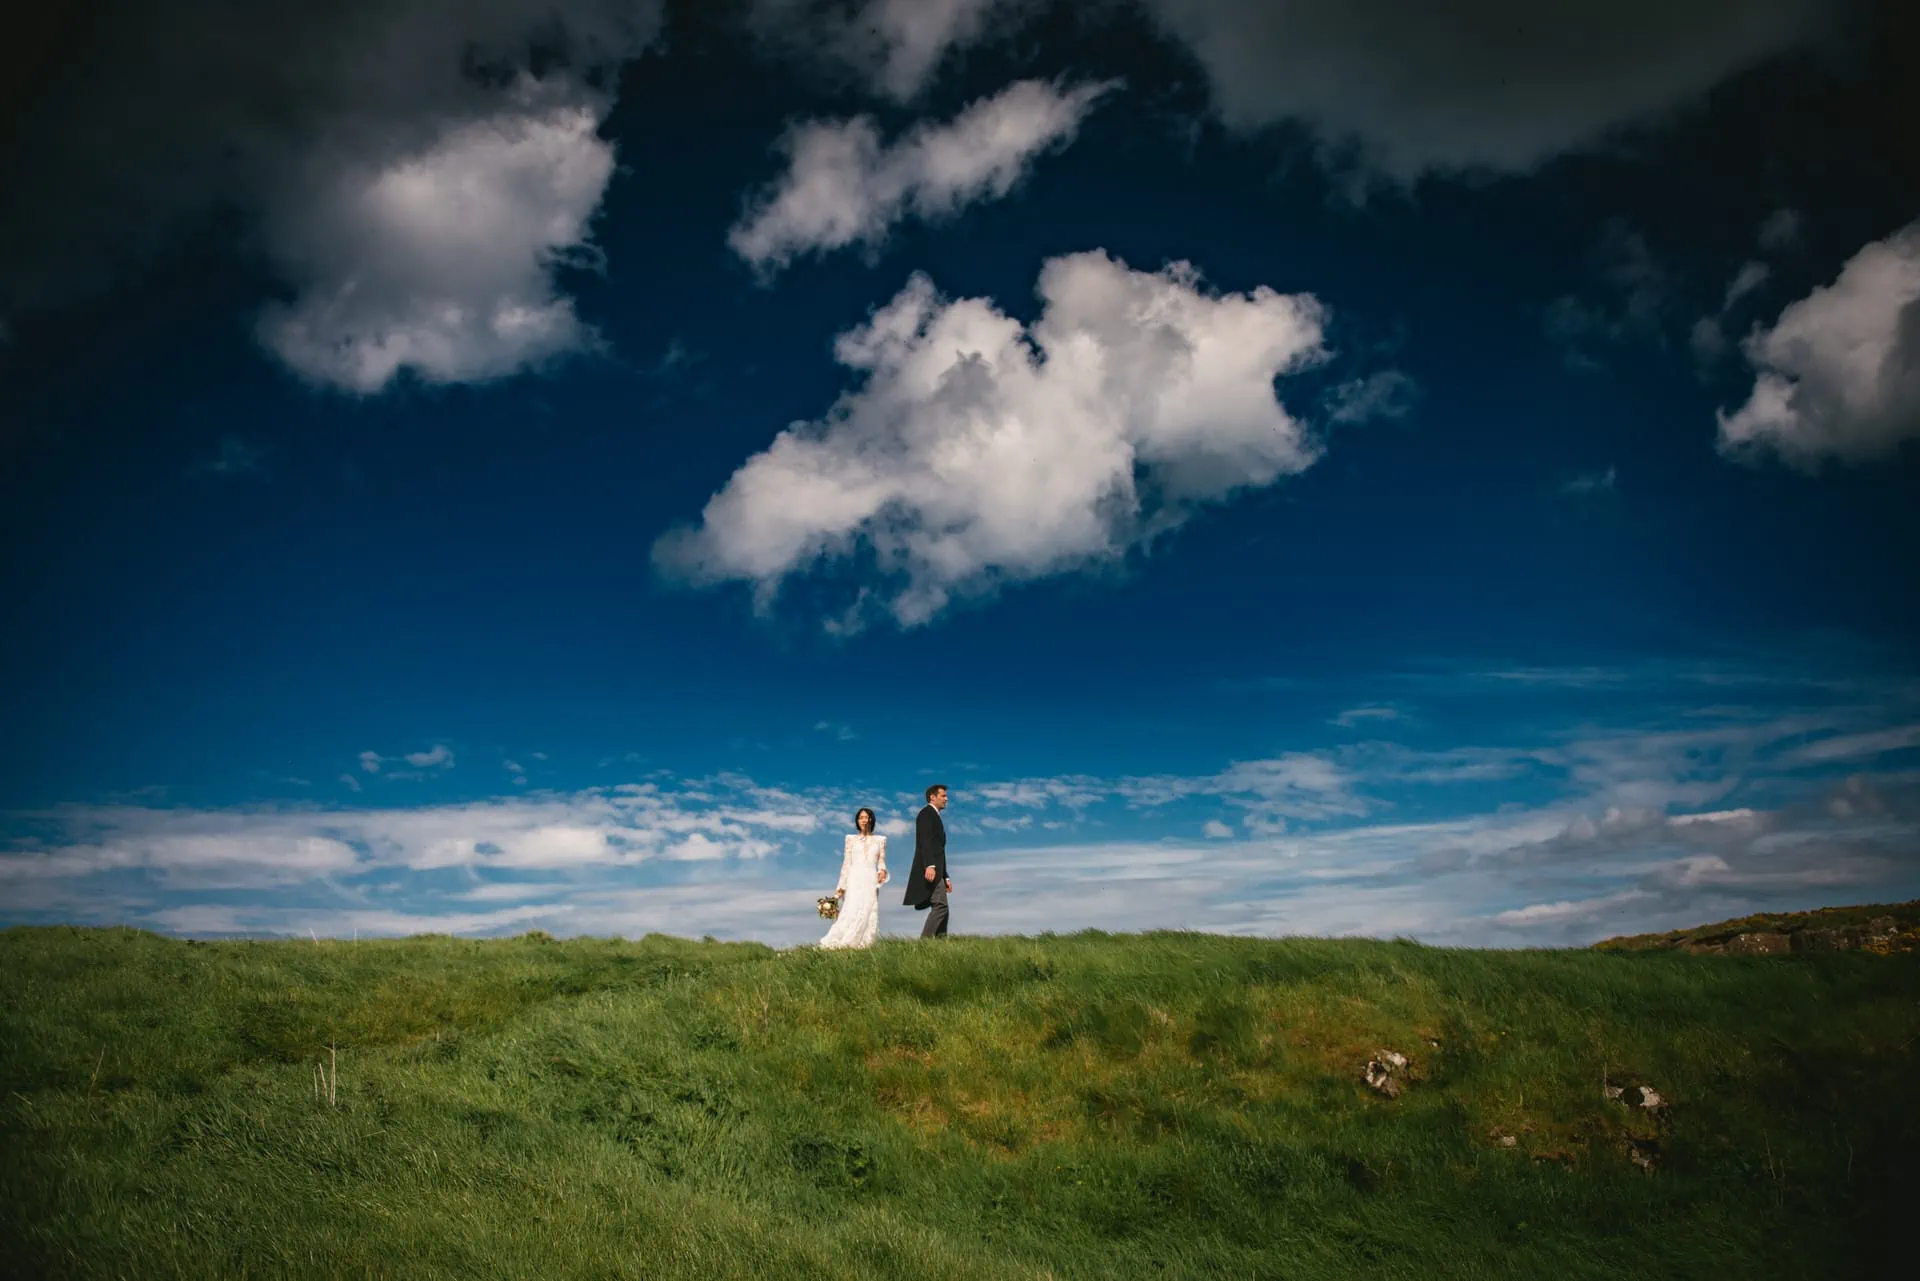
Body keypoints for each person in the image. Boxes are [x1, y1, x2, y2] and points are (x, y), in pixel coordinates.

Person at [820, 807, 888, 949]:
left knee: (868, 909)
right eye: (861, 817)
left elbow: (881, 861)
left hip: (870, 879)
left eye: (866, 817)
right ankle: (843, 943)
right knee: (851, 908)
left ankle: (865, 944)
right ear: (857, 821)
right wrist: (840, 888)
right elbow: (846, 864)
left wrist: (882, 871)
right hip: (854, 878)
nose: (864, 820)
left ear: (871, 819)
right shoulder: (850, 839)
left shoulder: (880, 840)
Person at [902, 783, 951, 938]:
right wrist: (929, 865)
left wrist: (946, 876)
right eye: (943, 796)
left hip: (938, 869)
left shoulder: (935, 816)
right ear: (932, 797)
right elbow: (926, 841)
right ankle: (925, 942)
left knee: (943, 907)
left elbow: (939, 850)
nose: (946, 799)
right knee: (941, 906)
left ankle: (940, 944)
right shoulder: (926, 814)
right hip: (931, 868)